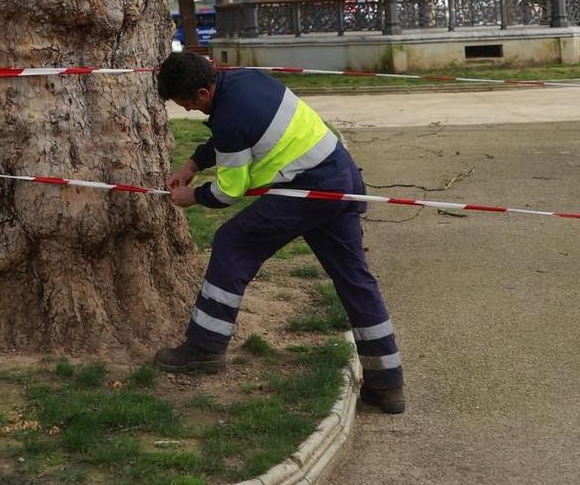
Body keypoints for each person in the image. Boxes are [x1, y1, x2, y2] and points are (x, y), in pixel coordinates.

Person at [154, 51, 405, 413]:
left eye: (187, 104)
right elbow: (230, 138)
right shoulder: (244, 79)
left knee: (232, 242)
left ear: (203, 93)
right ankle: (387, 383)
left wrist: (190, 196)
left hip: (308, 190)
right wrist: (193, 163)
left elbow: (228, 191)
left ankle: (206, 345)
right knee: (355, 279)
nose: (189, 110)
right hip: (340, 176)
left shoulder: (229, 116)